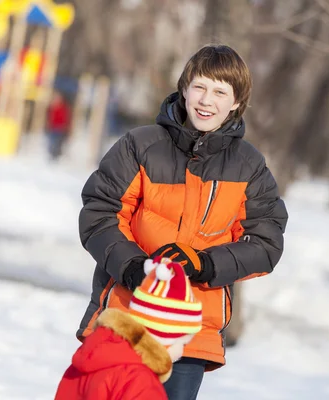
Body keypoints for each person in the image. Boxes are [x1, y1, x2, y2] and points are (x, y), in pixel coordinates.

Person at [76, 44, 288, 399]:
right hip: (127, 315)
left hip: (191, 332)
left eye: (221, 92)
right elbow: (101, 212)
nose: (207, 100)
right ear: (185, 87)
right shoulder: (140, 146)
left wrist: (205, 264)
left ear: (236, 102)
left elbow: (265, 243)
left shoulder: (249, 166)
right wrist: (132, 266)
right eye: (201, 87)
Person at [54, 258, 202, 400]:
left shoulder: (87, 359)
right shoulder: (140, 381)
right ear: (162, 337)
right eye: (181, 342)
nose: (181, 351)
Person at [45, 90, 72, 161]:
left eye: (58, 98)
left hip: (59, 128)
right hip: (53, 127)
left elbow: (65, 118)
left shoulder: (64, 108)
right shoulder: (53, 106)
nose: (56, 99)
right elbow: (50, 117)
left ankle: (55, 155)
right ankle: (52, 154)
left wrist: (65, 126)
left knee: (57, 142)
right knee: (51, 141)